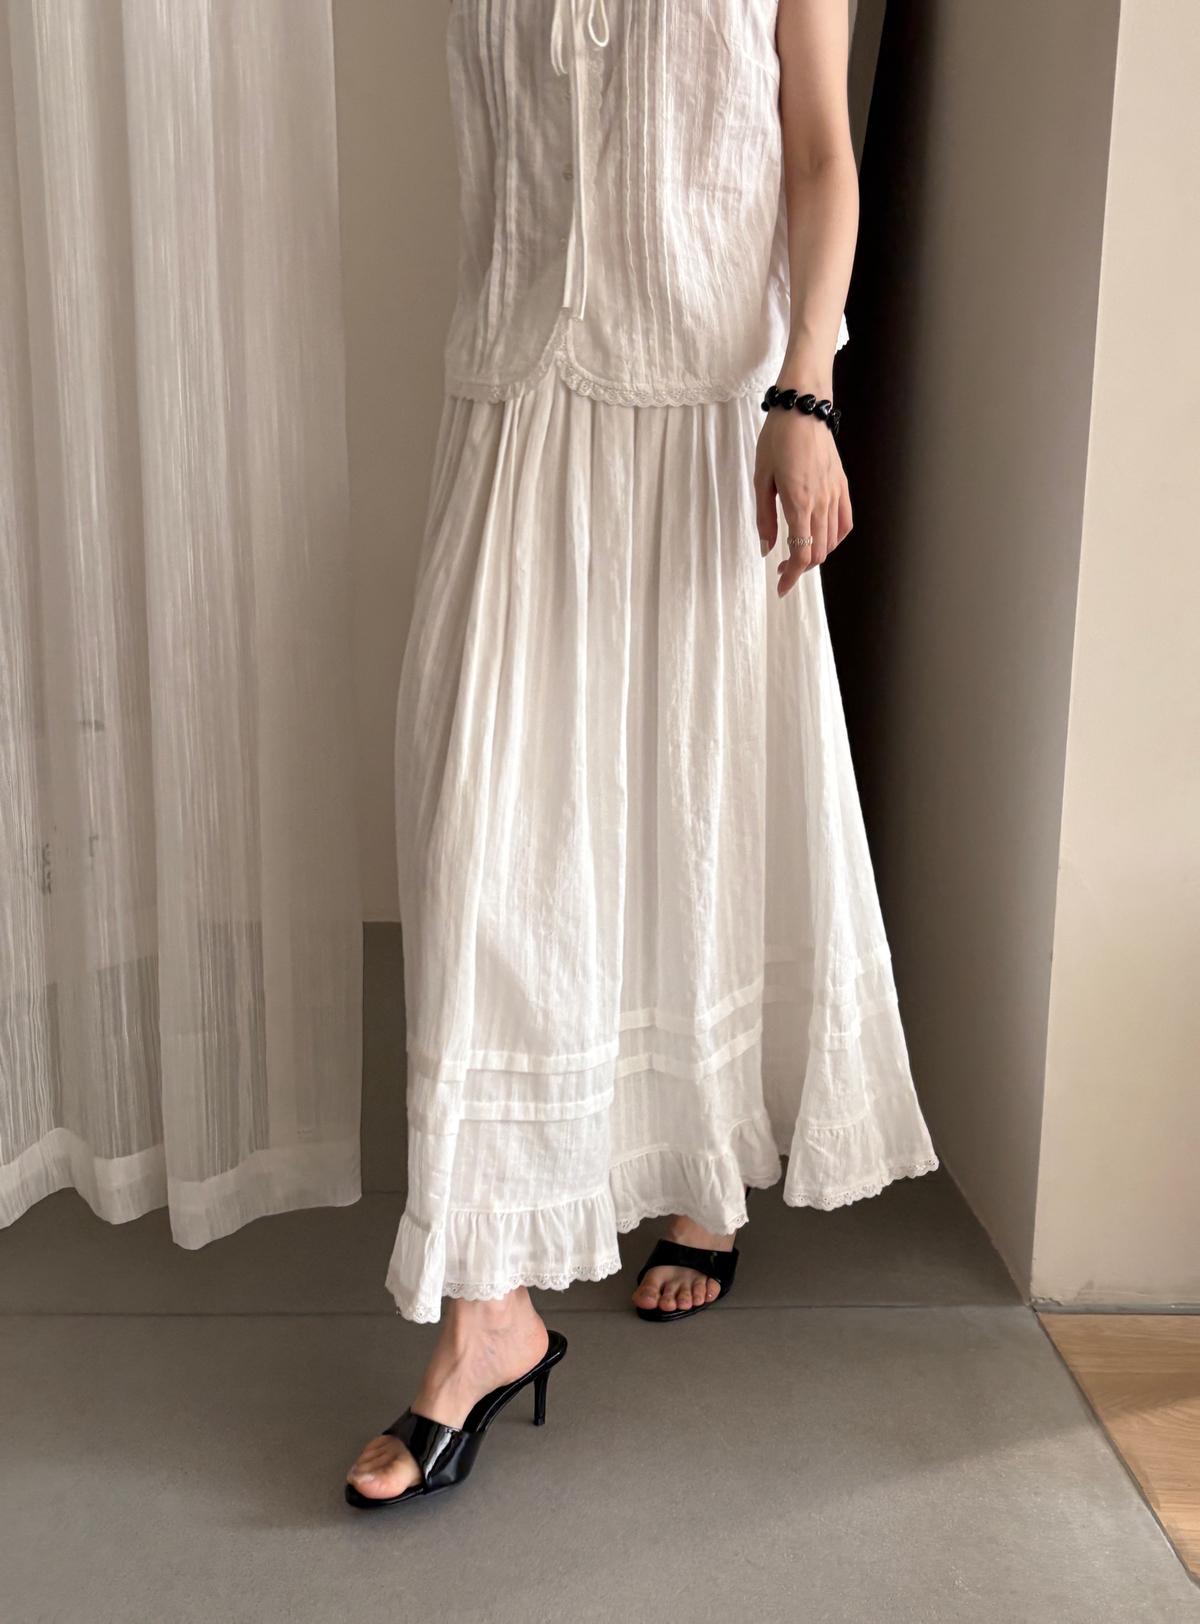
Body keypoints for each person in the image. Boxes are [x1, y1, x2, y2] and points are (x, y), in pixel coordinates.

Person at [345, 0, 937, 1510]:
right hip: (515, 417)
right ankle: (489, 1310)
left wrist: (806, 388)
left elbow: (819, 151)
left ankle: (698, 1168)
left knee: (692, 819)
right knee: (483, 838)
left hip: (707, 420)